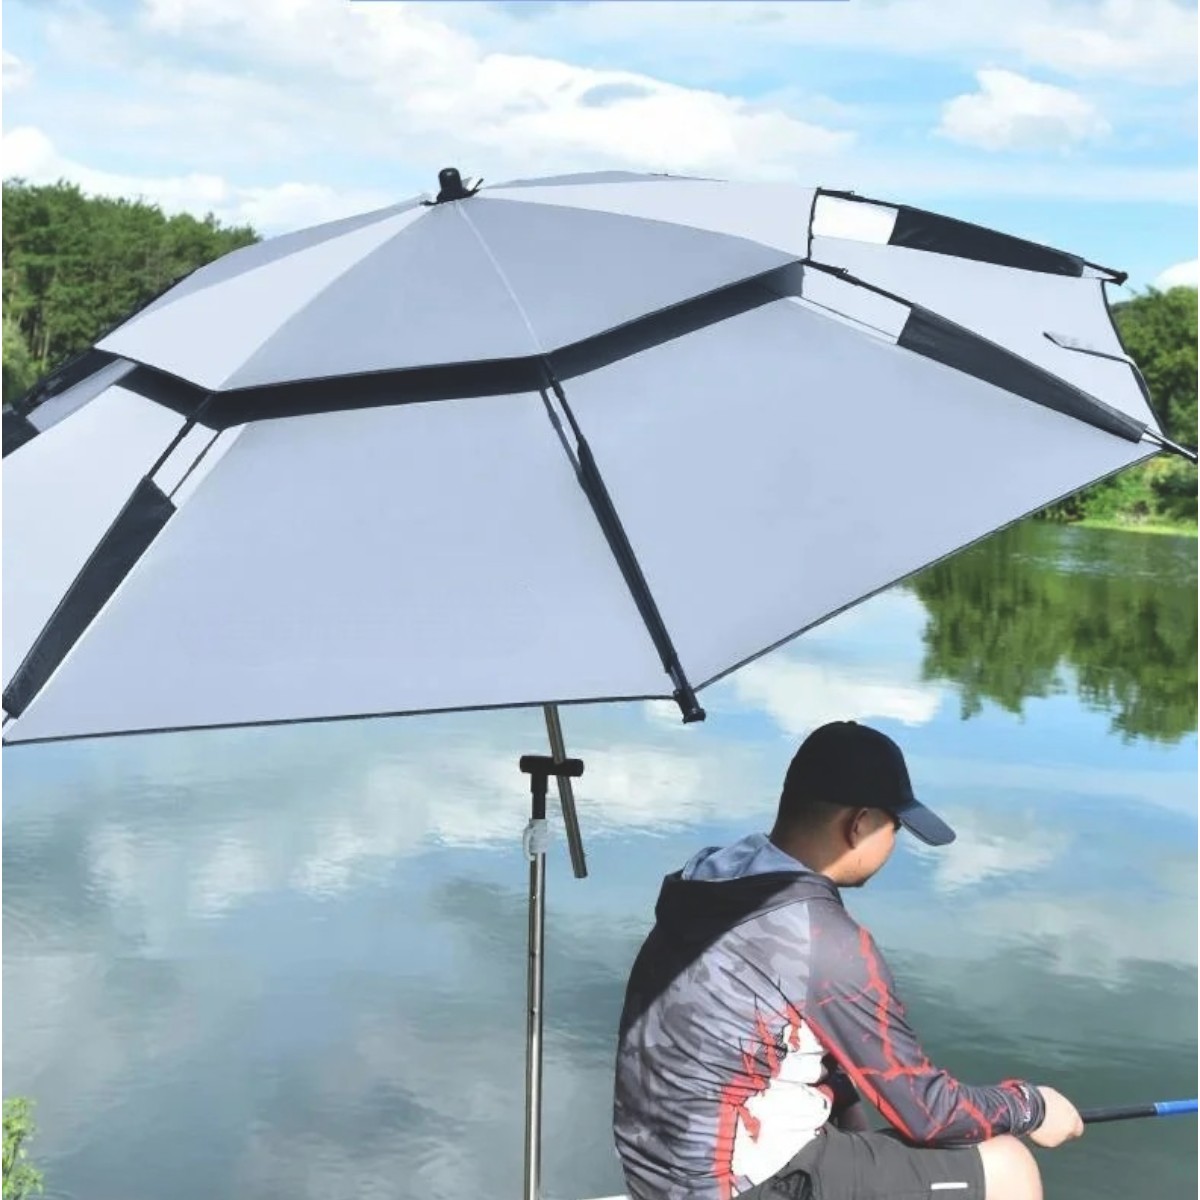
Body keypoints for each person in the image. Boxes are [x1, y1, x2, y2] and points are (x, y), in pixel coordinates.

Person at [613, 720, 1084, 1200]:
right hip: (726, 1188)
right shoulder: (823, 940)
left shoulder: (713, 880)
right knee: (1007, 1165)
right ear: (859, 825)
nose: (894, 842)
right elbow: (927, 1112)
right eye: (894, 827)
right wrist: (1033, 1107)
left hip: (655, 1173)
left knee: (855, 1121)